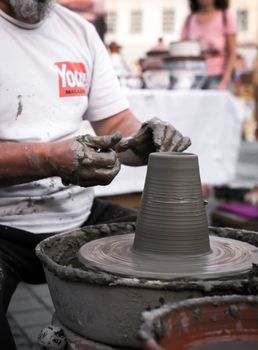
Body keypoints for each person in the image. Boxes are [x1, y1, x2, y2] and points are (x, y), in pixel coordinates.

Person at [0, 1, 191, 348]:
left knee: (182, 255)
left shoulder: (78, 30)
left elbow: (116, 123)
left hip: (77, 211)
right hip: (3, 222)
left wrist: (143, 140)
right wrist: (46, 160)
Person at [181, 0, 237, 90]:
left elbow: (232, 54)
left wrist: (224, 82)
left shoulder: (225, 17)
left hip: (218, 77)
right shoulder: (189, 20)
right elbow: (182, 52)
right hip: (193, 79)